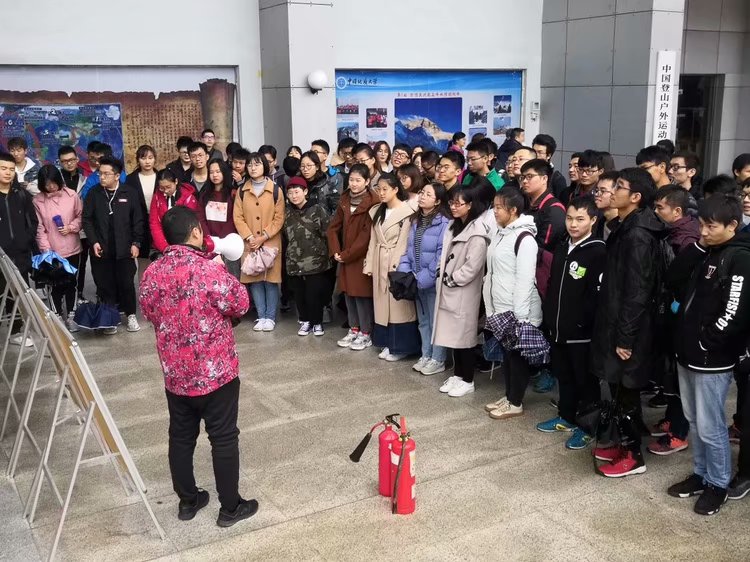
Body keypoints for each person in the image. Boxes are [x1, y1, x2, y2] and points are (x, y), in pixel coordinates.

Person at [138, 206, 258, 528]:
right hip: (216, 373)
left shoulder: (152, 273)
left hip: (176, 376)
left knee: (180, 437)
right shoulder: (208, 270)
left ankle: (188, 501)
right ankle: (230, 507)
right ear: (195, 232)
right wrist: (223, 270)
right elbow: (241, 303)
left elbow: (148, 311)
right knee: (223, 437)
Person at [665, 195, 750, 515]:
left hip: (711, 359)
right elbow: (673, 277)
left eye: (711, 226)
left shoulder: (740, 258)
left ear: (732, 225)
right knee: (694, 421)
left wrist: (706, 341)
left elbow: (735, 311)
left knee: (711, 425)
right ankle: (701, 475)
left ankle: (718, 483)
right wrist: (699, 246)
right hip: (687, 353)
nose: (703, 231)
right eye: (701, 224)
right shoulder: (706, 251)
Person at [590, 167, 666, 477]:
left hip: (629, 329)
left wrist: (625, 337)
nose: (612, 192)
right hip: (616, 321)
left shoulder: (638, 236)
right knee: (619, 390)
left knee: (627, 392)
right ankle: (621, 443)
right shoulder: (626, 226)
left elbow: (638, 292)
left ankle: (633, 455)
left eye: (618, 187)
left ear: (635, 197)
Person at [536, 196, 605, 445]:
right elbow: (553, 285)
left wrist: (583, 322)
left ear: (593, 220)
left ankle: (588, 427)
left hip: (581, 333)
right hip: (557, 327)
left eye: (580, 219)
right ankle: (566, 416)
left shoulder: (598, 251)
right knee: (564, 376)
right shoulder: (563, 246)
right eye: (569, 218)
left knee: (585, 381)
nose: (573, 224)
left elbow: (597, 296)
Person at [434, 185, 491, 397]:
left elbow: (472, 267)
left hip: (463, 292)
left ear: (470, 205)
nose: (454, 207)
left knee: (465, 339)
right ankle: (457, 376)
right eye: (452, 202)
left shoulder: (477, 233)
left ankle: (468, 380)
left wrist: (452, 279)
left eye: (459, 203)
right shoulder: (454, 226)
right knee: (454, 338)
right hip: (450, 289)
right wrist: (441, 271)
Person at [81, 157, 144, 334]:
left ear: (117, 176)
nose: (102, 177)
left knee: (126, 283)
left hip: (125, 247)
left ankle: (131, 315)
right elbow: (87, 219)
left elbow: (138, 220)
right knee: (104, 284)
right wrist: (93, 241)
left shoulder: (129, 193)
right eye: (100, 173)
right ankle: (109, 318)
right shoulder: (94, 193)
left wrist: (136, 243)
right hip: (102, 248)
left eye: (106, 174)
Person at [364, 174, 419, 361]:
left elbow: (404, 242)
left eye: (385, 189)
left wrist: (396, 266)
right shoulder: (377, 211)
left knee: (399, 307)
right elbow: (373, 241)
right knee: (382, 305)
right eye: (378, 189)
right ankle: (387, 343)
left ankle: (402, 347)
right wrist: (369, 263)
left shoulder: (407, 212)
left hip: (396, 262)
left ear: (396, 189)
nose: (381, 193)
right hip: (380, 259)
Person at [397, 181, 450, 375]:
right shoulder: (416, 220)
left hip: (431, 282)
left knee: (436, 322)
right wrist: (406, 273)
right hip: (415, 279)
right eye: (422, 192)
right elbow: (408, 249)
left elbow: (440, 255)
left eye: (428, 194)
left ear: (438, 201)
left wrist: (422, 278)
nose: (422, 196)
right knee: (424, 321)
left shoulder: (444, 223)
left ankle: (438, 358)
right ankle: (426, 354)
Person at [234, 152, 285, 332]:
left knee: (270, 280)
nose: (253, 168)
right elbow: (237, 217)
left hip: (270, 241)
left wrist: (263, 236)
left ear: (265, 166)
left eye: (257, 164)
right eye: (250, 165)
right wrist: (249, 237)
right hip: (250, 242)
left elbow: (279, 218)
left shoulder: (276, 190)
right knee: (254, 279)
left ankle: (270, 317)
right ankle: (261, 316)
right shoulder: (242, 191)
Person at [328, 163, 378, 351]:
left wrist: (346, 255)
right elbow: (333, 227)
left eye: (358, 180)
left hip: (361, 256)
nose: (354, 184)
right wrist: (335, 250)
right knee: (348, 293)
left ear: (367, 181)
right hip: (344, 255)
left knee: (362, 295)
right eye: (351, 180)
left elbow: (366, 236)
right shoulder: (345, 198)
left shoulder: (373, 202)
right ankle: (354, 328)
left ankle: (366, 332)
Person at [33, 165, 83, 328]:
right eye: (47, 184)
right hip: (52, 250)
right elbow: (39, 228)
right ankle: (57, 317)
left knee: (71, 283)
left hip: (72, 247)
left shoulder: (71, 195)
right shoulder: (38, 201)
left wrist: (71, 227)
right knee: (55, 285)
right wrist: (46, 250)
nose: (51, 187)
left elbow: (80, 216)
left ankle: (72, 315)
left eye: (53, 182)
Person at [284, 176, 333, 336]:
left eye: (297, 192)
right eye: (290, 193)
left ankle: (317, 322)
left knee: (314, 293)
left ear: (305, 192)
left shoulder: (318, 209)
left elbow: (328, 232)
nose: (294, 196)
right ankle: (305, 321)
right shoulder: (287, 213)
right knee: (299, 294)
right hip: (294, 260)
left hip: (315, 259)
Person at [0, 152, 38, 345]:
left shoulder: (22, 195)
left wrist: (25, 240)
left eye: (11, 169)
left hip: (20, 255)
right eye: (3, 168)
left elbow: (33, 221)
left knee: (19, 295)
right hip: (1, 256)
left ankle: (17, 331)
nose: (8, 173)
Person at [149, 168, 214, 256]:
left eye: (168, 187)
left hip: (185, 246)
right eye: (162, 188)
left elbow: (191, 225)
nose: (165, 191)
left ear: (176, 181)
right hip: (162, 246)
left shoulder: (188, 198)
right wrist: (165, 248)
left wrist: (179, 249)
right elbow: (154, 223)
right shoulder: (157, 197)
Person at [58, 145, 91, 303]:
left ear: (77, 159)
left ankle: (79, 293)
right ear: (60, 162)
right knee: (63, 264)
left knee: (81, 263)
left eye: (72, 160)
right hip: (63, 229)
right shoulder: (57, 180)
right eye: (65, 161)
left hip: (81, 228)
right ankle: (62, 295)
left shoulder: (85, 179)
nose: (69, 163)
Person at [200, 159, 240, 278]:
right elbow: (201, 218)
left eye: (218, 171)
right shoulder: (205, 194)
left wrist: (221, 241)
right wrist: (209, 239)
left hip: (228, 244)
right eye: (211, 172)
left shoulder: (233, 194)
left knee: (231, 277)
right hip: (210, 244)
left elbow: (234, 218)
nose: (215, 175)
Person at [519, 159, 566, 252]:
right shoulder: (523, 202)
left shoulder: (554, 209)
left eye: (529, 176)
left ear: (544, 179)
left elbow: (544, 246)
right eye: (522, 177)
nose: (524, 181)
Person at [126, 144, 158, 259]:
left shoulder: (161, 177)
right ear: (138, 160)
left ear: (155, 159)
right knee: (142, 259)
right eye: (143, 158)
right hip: (139, 223)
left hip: (158, 223)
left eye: (150, 158)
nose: (147, 161)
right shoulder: (131, 179)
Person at [654, 186, 700, 255]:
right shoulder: (671, 231)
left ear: (677, 211)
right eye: (655, 207)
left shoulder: (687, 242)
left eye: (660, 207)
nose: (655, 211)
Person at [299, 151, 341, 216]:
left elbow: (338, 208)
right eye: (302, 166)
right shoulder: (297, 184)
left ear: (317, 167)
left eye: (309, 166)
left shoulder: (327, 184)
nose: (305, 169)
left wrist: (329, 220)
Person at [593, 171, 620, 240]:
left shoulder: (623, 225)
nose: (597, 194)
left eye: (603, 191)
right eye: (596, 190)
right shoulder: (601, 222)